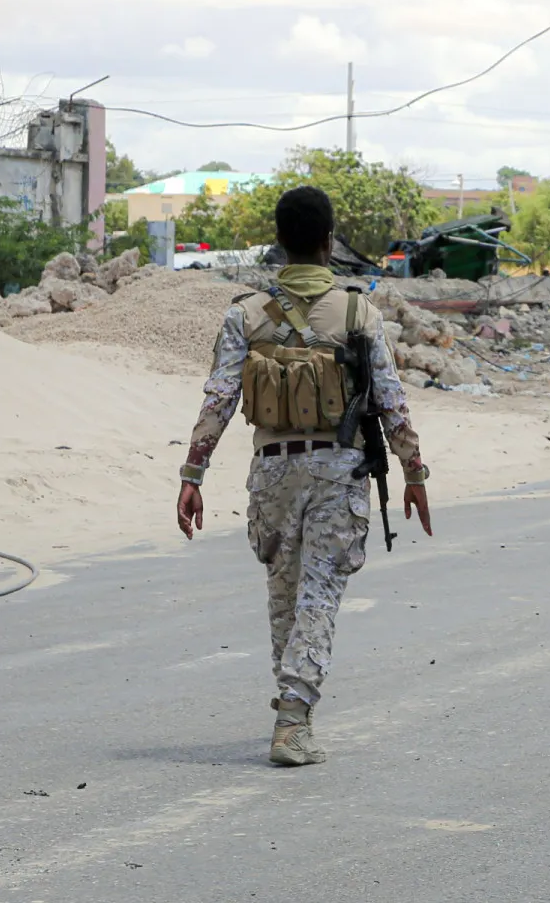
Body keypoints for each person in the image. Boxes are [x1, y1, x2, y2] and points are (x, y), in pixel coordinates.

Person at [174, 186, 434, 767]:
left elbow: (218, 399)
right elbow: (392, 402)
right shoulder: (357, 311)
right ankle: (293, 718)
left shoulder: (244, 314)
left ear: (279, 242)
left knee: (284, 594)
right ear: (327, 242)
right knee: (318, 593)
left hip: (271, 473)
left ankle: (293, 709)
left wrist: (193, 474)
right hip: (337, 473)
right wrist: (414, 473)